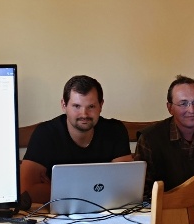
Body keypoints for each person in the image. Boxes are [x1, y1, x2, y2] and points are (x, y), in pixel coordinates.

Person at [21, 75, 132, 204]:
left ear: (101, 105)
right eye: (76, 106)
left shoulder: (115, 130)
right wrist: (97, 188)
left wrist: (58, 188)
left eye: (91, 106)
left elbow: (125, 186)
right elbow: (26, 190)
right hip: (56, 213)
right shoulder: (45, 133)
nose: (84, 114)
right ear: (64, 105)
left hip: (107, 210)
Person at [135, 75, 194, 196]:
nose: (192, 110)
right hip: (166, 206)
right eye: (183, 103)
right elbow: (141, 191)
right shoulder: (149, 138)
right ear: (170, 108)